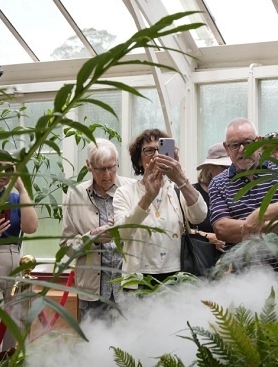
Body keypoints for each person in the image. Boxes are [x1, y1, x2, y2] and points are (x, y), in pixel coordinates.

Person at [209, 118, 278, 288]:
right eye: (235, 145)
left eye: (247, 142)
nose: (242, 149)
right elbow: (222, 228)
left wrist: (260, 214)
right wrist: (273, 226)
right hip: (244, 285)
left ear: (258, 142)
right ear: (226, 148)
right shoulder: (218, 183)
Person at [113, 129, 207, 289]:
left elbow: (200, 216)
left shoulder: (177, 189)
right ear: (139, 159)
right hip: (139, 279)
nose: (156, 155)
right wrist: (148, 196)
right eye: (149, 150)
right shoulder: (125, 192)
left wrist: (180, 178)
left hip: (176, 275)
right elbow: (122, 233)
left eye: (161, 149)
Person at [60, 139, 135, 322]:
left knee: (131, 347)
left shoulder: (132, 189)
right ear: (89, 166)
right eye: (101, 169)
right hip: (92, 292)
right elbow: (66, 247)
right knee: (93, 347)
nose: (108, 175)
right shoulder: (75, 195)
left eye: (112, 167)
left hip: (130, 287)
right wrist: (93, 238)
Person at [0, 150, 38, 351]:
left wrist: (22, 189)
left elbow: (31, 227)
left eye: (9, 168)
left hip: (13, 262)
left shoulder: (15, 198)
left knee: (11, 327)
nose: (3, 172)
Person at [189, 143, 229, 251]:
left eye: (231, 167)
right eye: (224, 167)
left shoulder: (235, 192)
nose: (228, 171)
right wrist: (206, 236)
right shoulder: (192, 193)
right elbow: (181, 229)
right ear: (210, 167)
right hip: (201, 259)